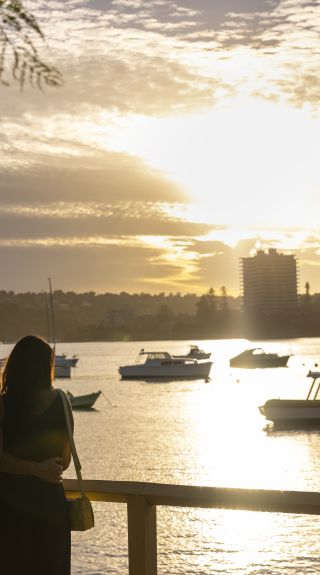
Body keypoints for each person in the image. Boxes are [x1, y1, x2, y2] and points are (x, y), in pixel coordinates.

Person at [0, 335, 73, 575]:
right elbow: (66, 460)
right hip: (50, 505)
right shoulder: (62, 401)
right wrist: (43, 469)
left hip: (11, 505)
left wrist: (31, 468)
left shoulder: (3, 405)